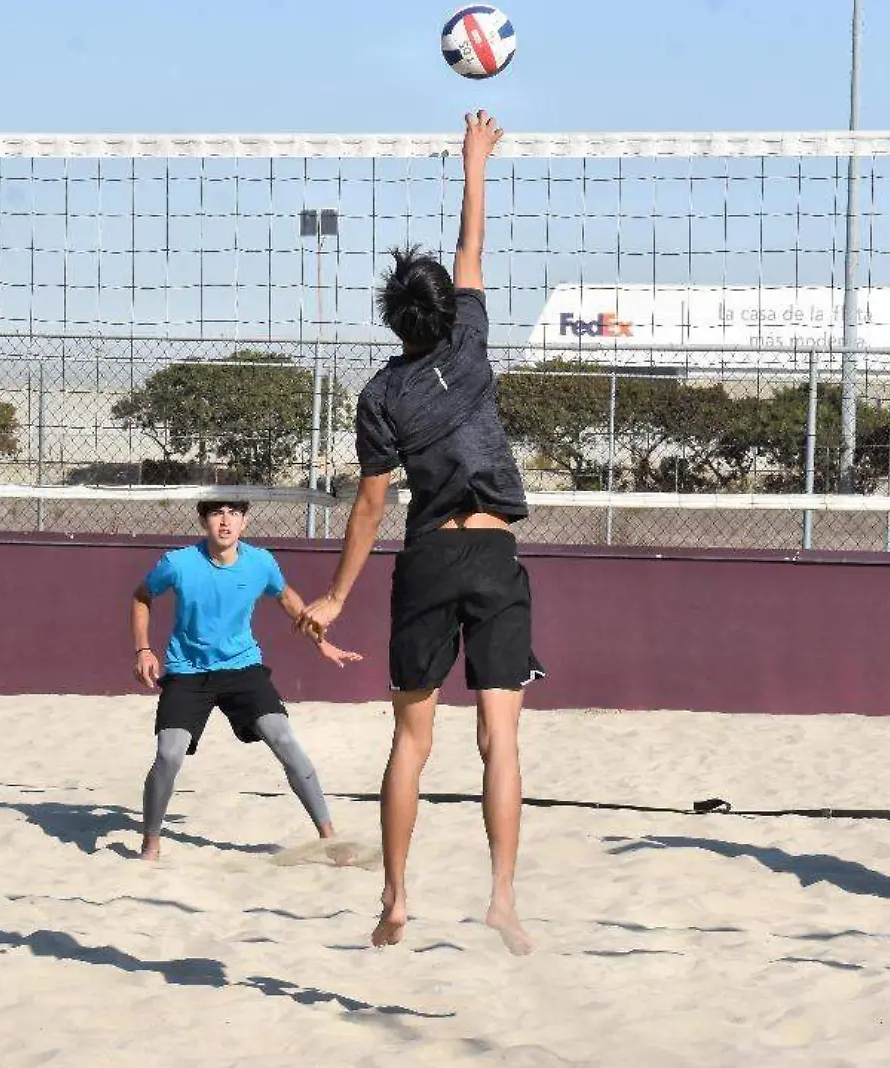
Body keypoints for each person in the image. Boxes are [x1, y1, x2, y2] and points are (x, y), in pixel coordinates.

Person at [296, 111, 542, 955]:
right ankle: (503, 895)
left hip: (429, 555)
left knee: (411, 738)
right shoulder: (472, 343)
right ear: (446, 310)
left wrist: (333, 595)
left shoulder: (381, 395)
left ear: (394, 324)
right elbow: (472, 247)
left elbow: (369, 507)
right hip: (496, 550)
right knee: (498, 737)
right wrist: (475, 160)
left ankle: (396, 899)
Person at [133, 499, 359, 861]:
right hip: (188, 673)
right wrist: (143, 649)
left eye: (234, 514)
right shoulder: (177, 563)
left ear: (244, 523)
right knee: (169, 754)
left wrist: (321, 643)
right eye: (217, 514)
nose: (225, 521)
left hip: (242, 669)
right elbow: (142, 596)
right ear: (204, 522)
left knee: (283, 738)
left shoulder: (261, 562)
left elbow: (286, 597)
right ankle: (151, 842)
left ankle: (330, 838)